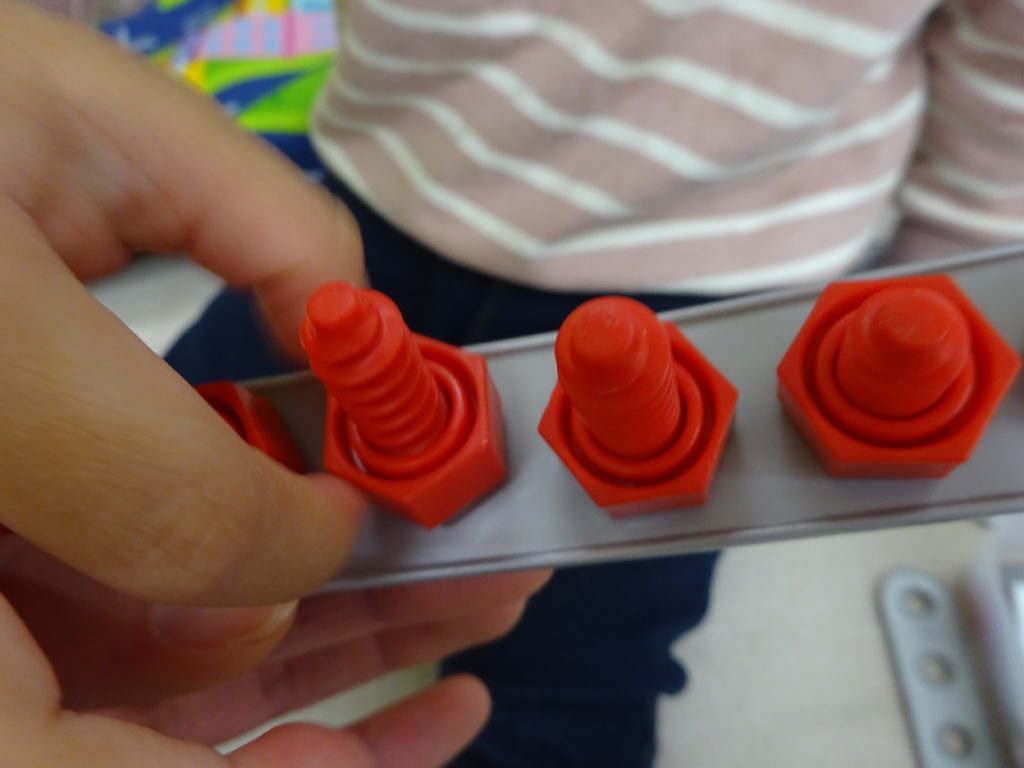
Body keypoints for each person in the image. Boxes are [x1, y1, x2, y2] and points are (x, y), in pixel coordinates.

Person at [4, 0, 1023, 765]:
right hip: (368, 213)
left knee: (572, 680)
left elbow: (999, 76)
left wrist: (939, 304)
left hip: (704, 285)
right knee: (97, 505)